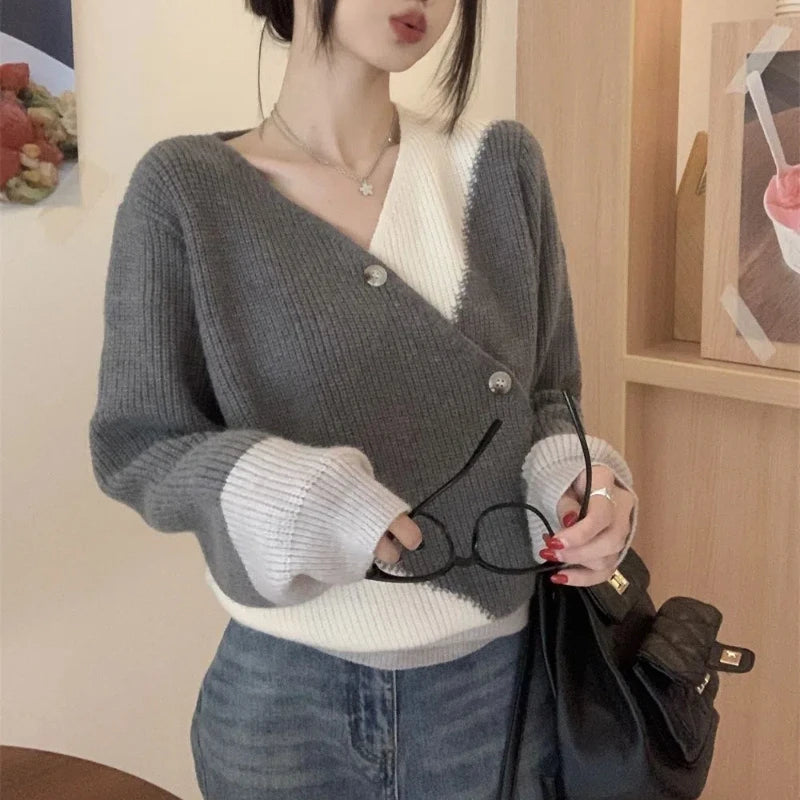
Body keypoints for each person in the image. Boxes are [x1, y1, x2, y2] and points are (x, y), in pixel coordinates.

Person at [88, 1, 639, 798]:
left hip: (493, 693)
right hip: (284, 704)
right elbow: (139, 443)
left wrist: (580, 484)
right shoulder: (186, 191)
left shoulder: (499, 165)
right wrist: (283, 491)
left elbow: (551, 394)